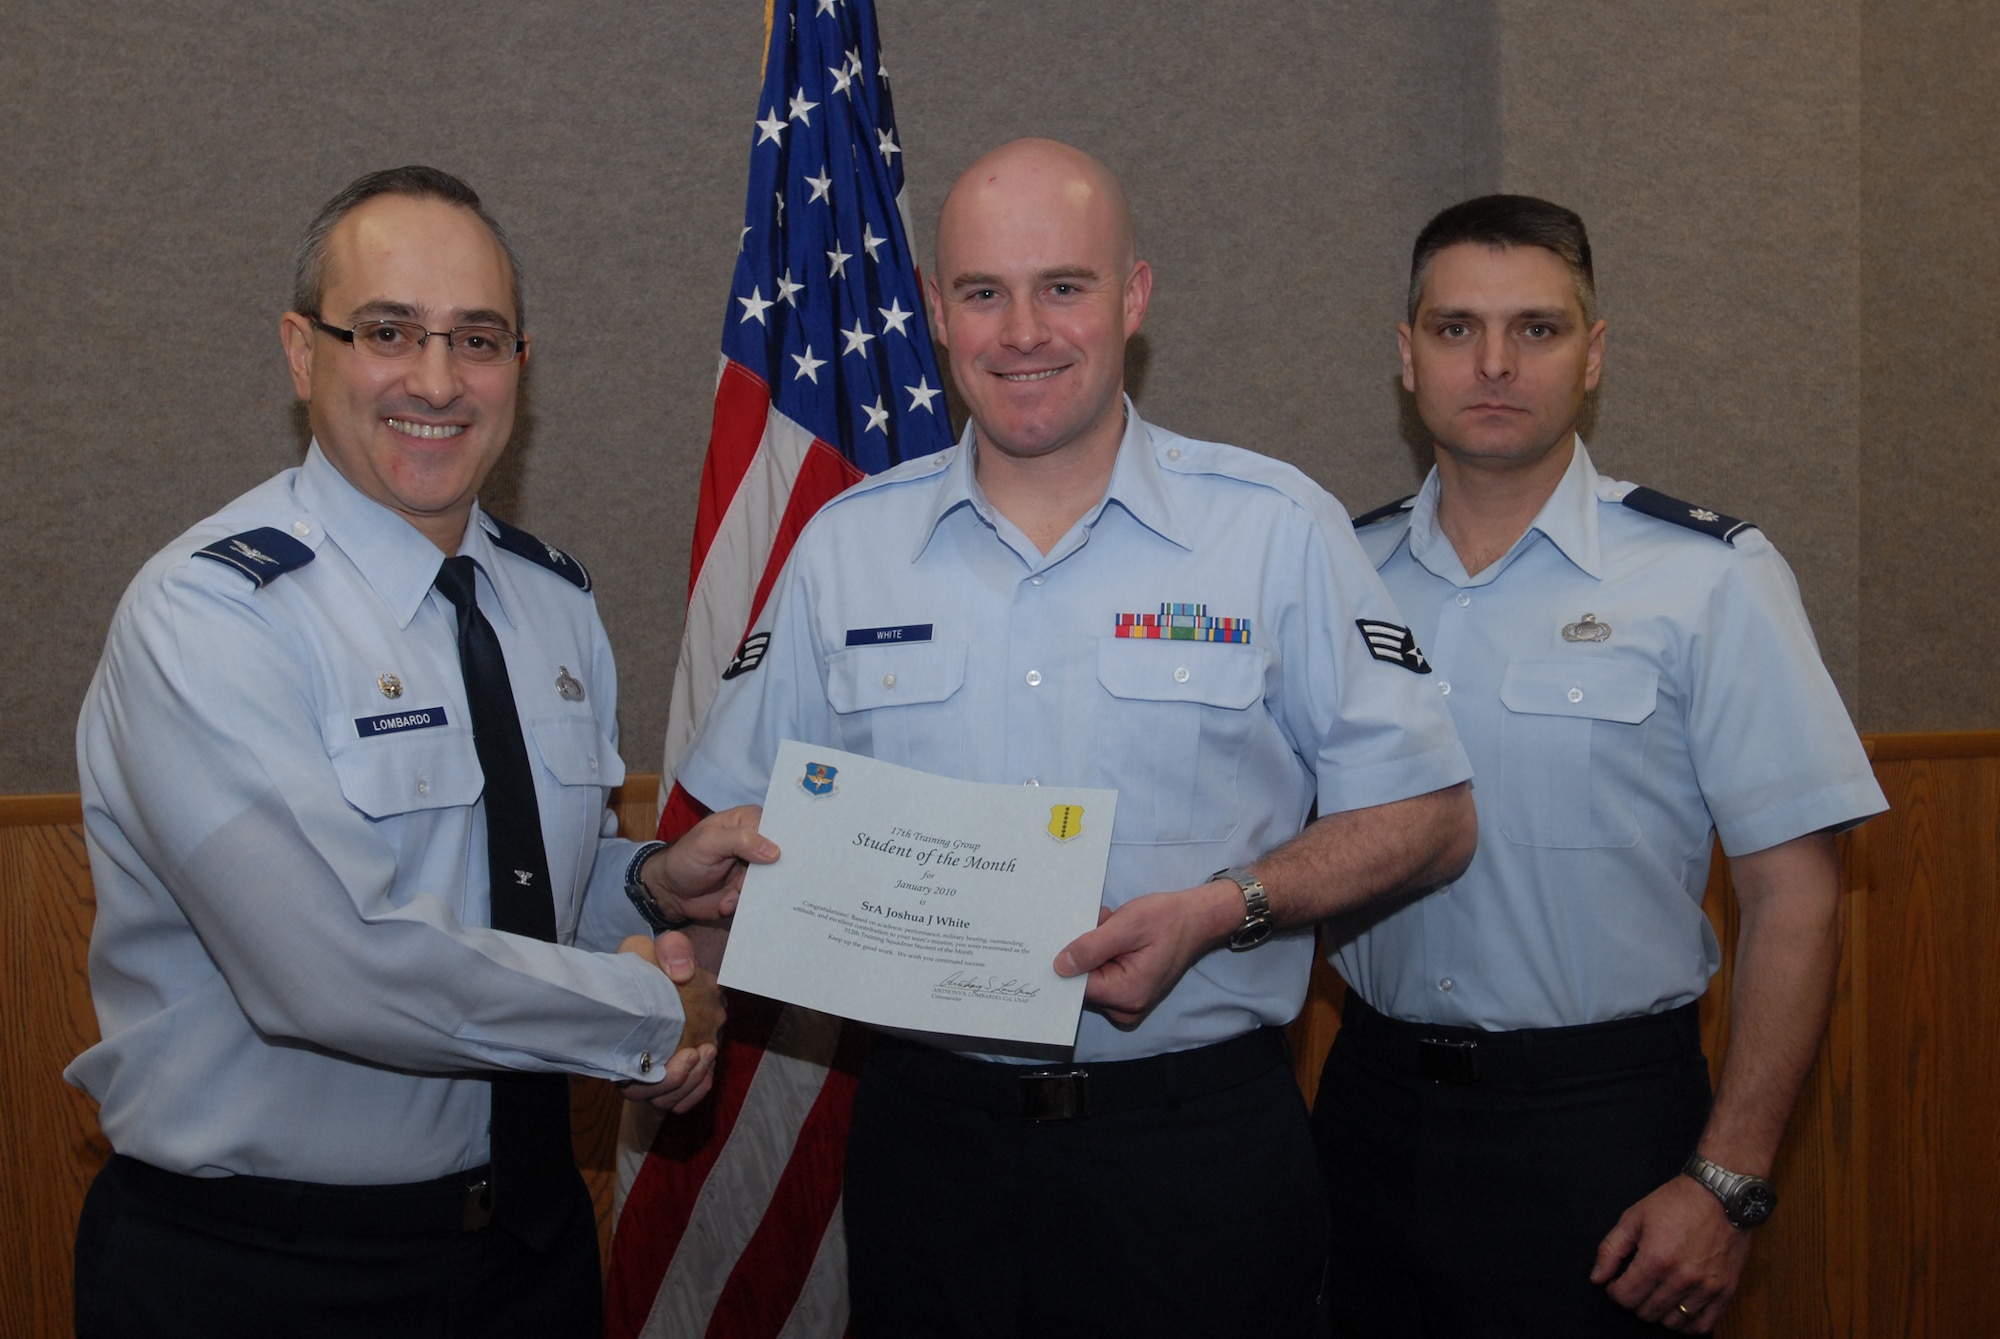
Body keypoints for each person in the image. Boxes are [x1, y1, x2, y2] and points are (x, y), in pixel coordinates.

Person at [662, 137, 1478, 1337]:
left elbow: (1433, 816)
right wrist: (675, 943)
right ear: (936, 313)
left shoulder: (1269, 531)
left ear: (1133, 297)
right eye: (983, 293)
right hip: (931, 1148)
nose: (1022, 331)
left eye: (1064, 287)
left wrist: (1224, 907)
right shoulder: (846, 546)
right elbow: (726, 841)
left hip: (1193, 1148)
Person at [66, 166, 751, 1338]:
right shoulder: (212, 616)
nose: (436, 381)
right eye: (388, 331)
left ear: (519, 370)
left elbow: (509, 889)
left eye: (476, 339)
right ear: (302, 351)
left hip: (524, 1249)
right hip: (263, 1270)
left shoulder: (551, 604)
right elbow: (328, 964)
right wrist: (640, 1016)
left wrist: (642, 883)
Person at [1316, 194, 1890, 1336]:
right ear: (1404, 356)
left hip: (1603, 1128)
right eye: (1453, 328)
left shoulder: (1707, 578)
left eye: (1535, 328)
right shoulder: (1336, 573)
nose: (1492, 361)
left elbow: (1794, 896)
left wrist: (1725, 1179)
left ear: (1592, 355)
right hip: (1368, 1114)